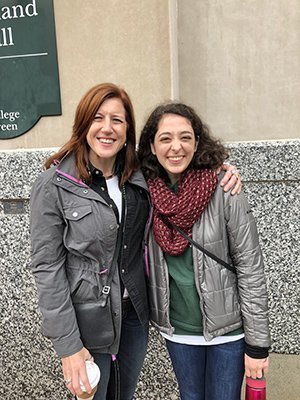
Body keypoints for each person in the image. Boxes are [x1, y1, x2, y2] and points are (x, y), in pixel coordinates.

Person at [30, 83, 241, 400]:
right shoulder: (54, 184)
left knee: (123, 395)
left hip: (133, 319)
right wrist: (68, 346)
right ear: (83, 124)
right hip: (88, 324)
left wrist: (223, 171)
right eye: (98, 118)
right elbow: (48, 268)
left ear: (128, 129)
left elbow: (182, 166)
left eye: (118, 119)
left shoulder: (139, 175)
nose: (107, 128)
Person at [137, 102, 270, 400]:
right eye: (165, 138)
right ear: (152, 145)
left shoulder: (224, 188)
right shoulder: (142, 191)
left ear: (197, 143)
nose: (176, 147)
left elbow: (250, 268)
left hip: (228, 331)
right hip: (178, 330)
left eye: (185, 137)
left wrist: (258, 345)